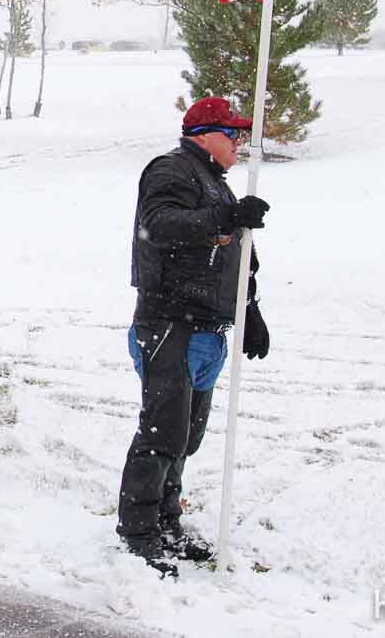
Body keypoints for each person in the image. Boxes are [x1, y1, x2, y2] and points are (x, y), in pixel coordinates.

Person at [115, 96, 271, 576]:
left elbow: (237, 257)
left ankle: (167, 522)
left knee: (188, 436)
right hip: (168, 324)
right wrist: (220, 219)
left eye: (241, 136)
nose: (239, 144)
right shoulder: (171, 171)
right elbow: (160, 226)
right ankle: (139, 532)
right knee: (163, 432)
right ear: (203, 135)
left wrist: (250, 307)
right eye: (232, 135)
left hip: (206, 328)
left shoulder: (215, 185)